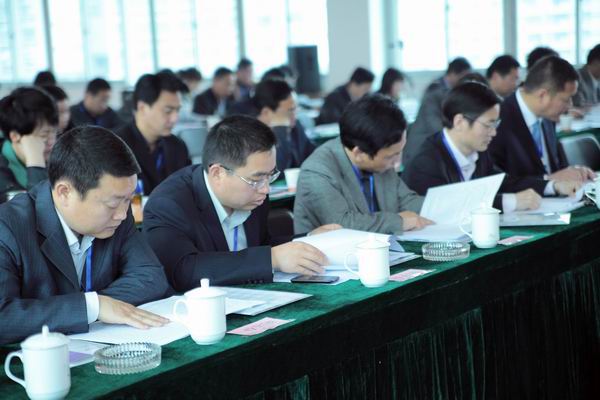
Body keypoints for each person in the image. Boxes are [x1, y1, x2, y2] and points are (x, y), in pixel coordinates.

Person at [0, 125, 170, 344]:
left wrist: (99, 304)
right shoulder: (8, 228)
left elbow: (150, 276)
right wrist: (92, 307)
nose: (122, 213)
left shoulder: (118, 214)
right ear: (64, 192)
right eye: (112, 204)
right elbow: (4, 317)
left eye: (128, 200)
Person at [143, 115, 338, 291]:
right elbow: (183, 271)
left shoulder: (254, 193)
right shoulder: (169, 204)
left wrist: (309, 239)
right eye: (257, 179)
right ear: (218, 173)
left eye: (270, 176)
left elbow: (261, 246)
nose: (266, 189)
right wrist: (272, 259)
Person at [402, 81, 580, 212]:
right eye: (488, 125)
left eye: (496, 125)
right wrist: (510, 202)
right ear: (459, 122)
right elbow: (449, 207)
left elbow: (504, 182)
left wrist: (553, 186)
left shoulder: (478, 152)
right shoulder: (426, 161)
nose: (494, 133)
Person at [294, 94, 431, 235]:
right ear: (359, 153)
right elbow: (343, 224)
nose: (397, 162)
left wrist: (440, 207)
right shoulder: (317, 172)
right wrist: (399, 221)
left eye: (399, 152)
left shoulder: (380, 153)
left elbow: (406, 201)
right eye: (391, 156)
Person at [489, 56, 595, 189]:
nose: (570, 105)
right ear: (543, 95)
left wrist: (574, 172)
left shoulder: (547, 116)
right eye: (565, 99)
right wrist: (548, 180)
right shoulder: (497, 121)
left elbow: (553, 168)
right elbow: (497, 183)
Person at [116, 71, 190, 195]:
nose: (175, 118)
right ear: (142, 108)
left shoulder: (178, 146)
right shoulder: (115, 146)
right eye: (168, 111)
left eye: (177, 110)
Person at [403, 57, 472, 167]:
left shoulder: (446, 89)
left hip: (433, 147)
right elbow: (435, 126)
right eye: (463, 77)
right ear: (453, 73)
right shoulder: (434, 90)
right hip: (420, 150)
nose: (465, 81)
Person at [0, 87, 58, 199]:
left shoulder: (56, 161)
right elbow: (42, 206)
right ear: (15, 136)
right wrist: (36, 163)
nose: (52, 141)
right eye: (44, 136)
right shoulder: (3, 174)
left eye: (55, 132)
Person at [254, 79, 315, 170]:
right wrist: (280, 129)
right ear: (266, 112)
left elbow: (314, 154)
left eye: (296, 109)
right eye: (290, 110)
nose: (294, 116)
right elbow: (277, 171)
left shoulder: (295, 127)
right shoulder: (252, 141)